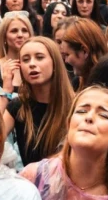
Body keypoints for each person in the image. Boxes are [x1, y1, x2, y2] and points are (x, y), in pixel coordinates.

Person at [7, 37, 74, 166]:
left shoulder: (76, 105)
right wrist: (5, 91)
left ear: (55, 63)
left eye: (39, 57)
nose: (32, 64)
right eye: (25, 60)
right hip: (30, 178)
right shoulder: (18, 106)